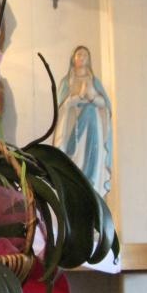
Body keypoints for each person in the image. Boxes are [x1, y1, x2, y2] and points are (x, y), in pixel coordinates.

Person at [53, 45, 113, 196]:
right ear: (73, 59)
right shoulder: (67, 82)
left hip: (92, 127)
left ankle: (91, 184)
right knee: (75, 159)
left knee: (92, 155)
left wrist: (92, 97)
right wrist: (78, 97)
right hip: (72, 127)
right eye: (79, 54)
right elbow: (61, 106)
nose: (82, 58)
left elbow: (105, 105)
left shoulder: (94, 81)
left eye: (85, 55)